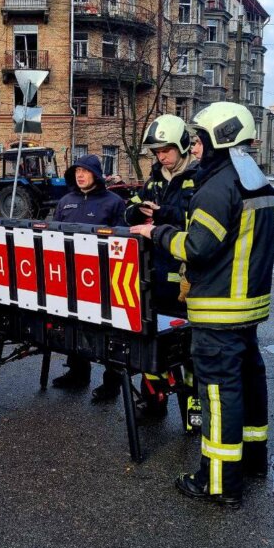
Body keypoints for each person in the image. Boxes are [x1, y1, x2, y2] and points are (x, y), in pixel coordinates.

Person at [131, 102, 274, 508]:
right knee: (249, 383)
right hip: (247, 307)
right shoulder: (255, 181)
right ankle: (251, 461)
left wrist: (155, 232)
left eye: (199, 139)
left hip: (218, 310)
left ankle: (218, 481)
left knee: (218, 394)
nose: (194, 147)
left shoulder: (217, 186)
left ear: (218, 139)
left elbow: (196, 248)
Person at [107, 114, 199, 419]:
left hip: (184, 275)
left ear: (182, 146)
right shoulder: (155, 178)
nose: (161, 157)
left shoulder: (198, 178)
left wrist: (162, 214)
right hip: (153, 272)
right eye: (157, 152)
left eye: (166, 150)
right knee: (151, 343)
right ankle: (153, 401)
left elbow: (197, 221)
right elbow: (130, 208)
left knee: (185, 350)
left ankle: (191, 407)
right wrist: (137, 211)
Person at [50, 154, 127, 390]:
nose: (80, 175)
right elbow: (52, 236)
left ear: (96, 174)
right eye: (76, 172)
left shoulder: (114, 202)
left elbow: (123, 244)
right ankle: (77, 373)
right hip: (72, 277)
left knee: (107, 329)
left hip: (103, 278)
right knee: (73, 323)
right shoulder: (65, 201)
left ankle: (112, 381)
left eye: (85, 171)